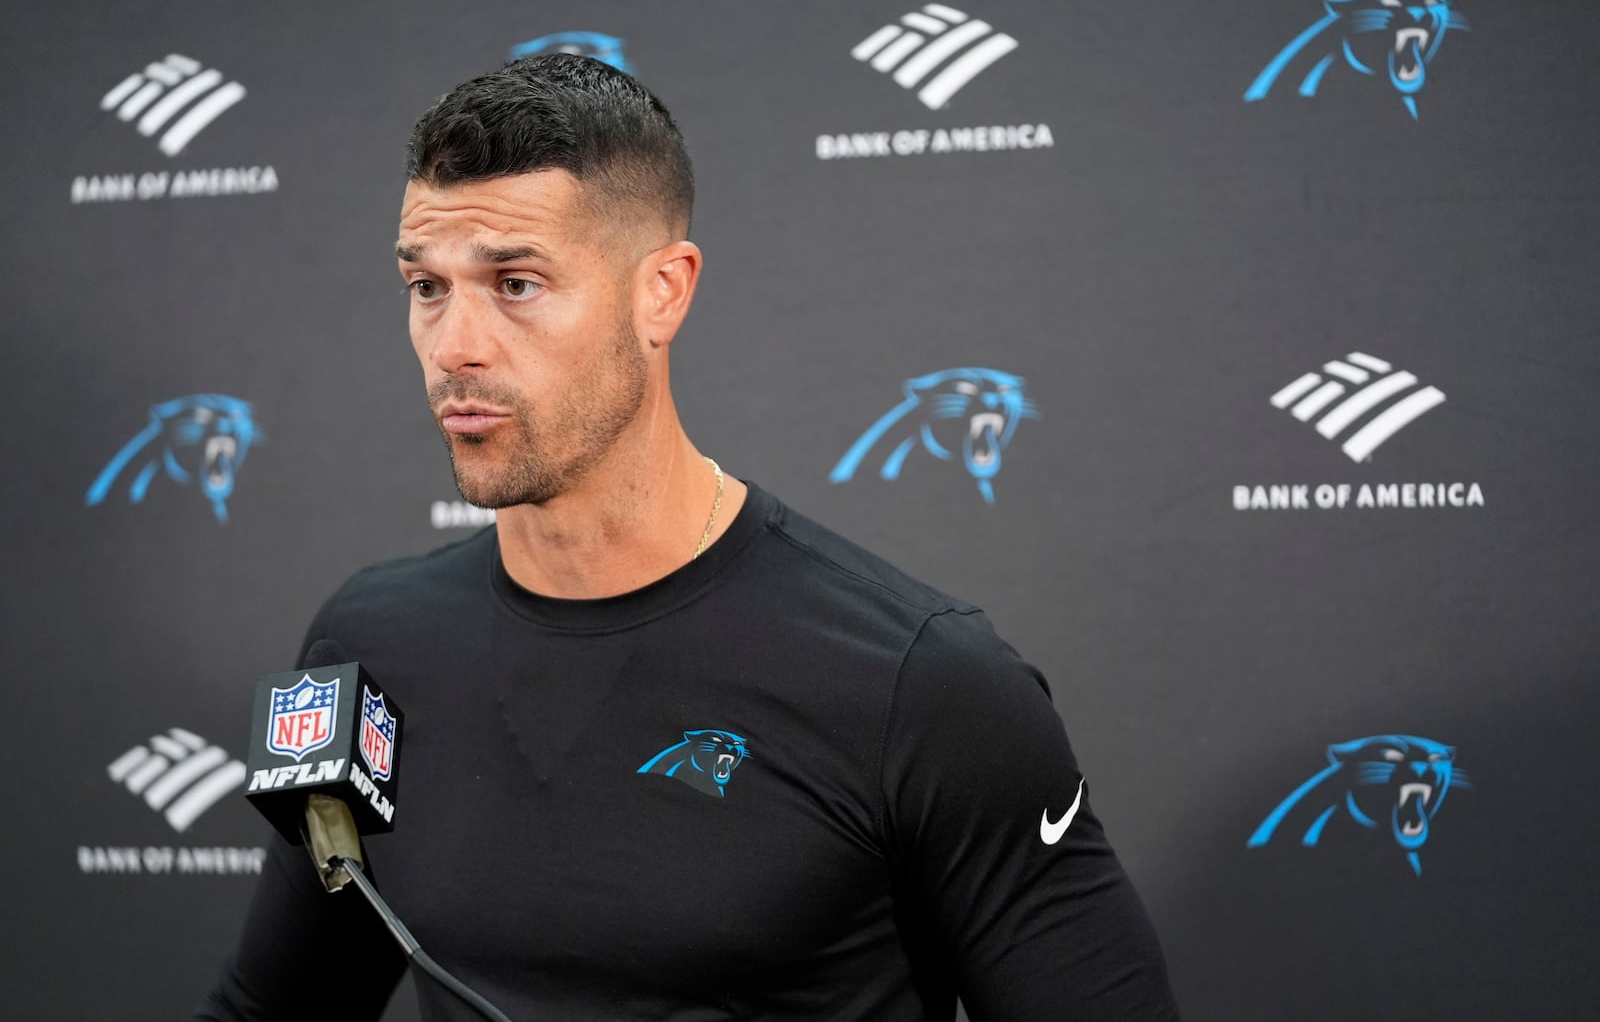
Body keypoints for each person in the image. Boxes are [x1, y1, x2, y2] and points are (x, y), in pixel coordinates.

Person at [195, 54, 1180, 1021]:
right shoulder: (369, 641)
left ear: (661, 291)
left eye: (517, 283)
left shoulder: (920, 683)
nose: (455, 344)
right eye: (427, 286)